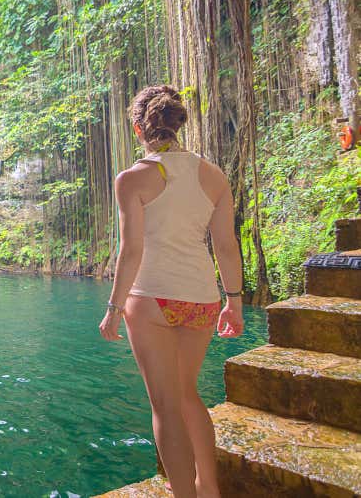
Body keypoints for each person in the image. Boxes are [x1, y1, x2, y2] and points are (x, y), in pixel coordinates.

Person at [98, 85, 245, 498]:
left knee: (164, 405)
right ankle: (209, 488)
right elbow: (226, 246)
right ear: (179, 124)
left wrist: (113, 307)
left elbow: (132, 251)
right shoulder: (213, 175)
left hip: (150, 299)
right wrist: (234, 302)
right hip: (202, 298)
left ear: (137, 128)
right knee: (187, 394)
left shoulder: (132, 179)